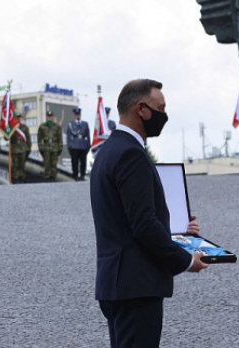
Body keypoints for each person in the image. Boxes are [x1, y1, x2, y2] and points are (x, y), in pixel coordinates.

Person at [90, 79, 208, 348]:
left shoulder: (108, 151)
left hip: (117, 284)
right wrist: (187, 261)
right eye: (160, 108)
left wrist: (176, 227)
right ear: (141, 109)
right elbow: (143, 225)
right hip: (136, 287)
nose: (164, 116)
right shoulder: (132, 154)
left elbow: (123, 217)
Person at [38, 110, 63, 181]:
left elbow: (59, 138)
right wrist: (41, 147)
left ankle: (53, 178)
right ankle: (47, 178)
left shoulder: (57, 127)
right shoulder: (42, 126)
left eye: (51, 116)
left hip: (55, 147)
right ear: (46, 117)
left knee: (54, 164)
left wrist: (60, 147)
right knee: (46, 164)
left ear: (53, 117)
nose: (50, 118)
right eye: (48, 116)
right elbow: (39, 138)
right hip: (46, 147)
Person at [67, 107, 91, 180]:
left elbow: (88, 135)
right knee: (75, 161)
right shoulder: (71, 124)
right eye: (77, 114)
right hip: (74, 145)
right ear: (75, 115)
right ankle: (75, 175)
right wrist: (69, 145)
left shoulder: (85, 124)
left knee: (83, 161)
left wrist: (88, 145)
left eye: (79, 114)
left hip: (83, 145)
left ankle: (82, 175)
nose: (78, 116)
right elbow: (68, 136)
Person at [10, 112, 32, 183]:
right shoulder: (11, 127)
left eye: (19, 117)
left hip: (23, 150)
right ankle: (16, 180)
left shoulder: (24, 127)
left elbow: (28, 139)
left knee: (22, 166)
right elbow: (6, 138)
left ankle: (22, 180)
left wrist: (28, 148)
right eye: (16, 117)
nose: (18, 118)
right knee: (15, 166)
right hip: (14, 150)